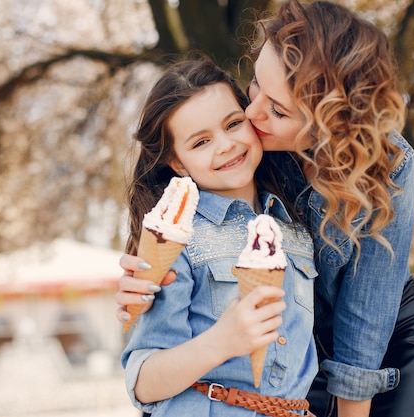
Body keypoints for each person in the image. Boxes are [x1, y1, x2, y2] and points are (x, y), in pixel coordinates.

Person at [116, 1, 414, 417]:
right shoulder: (243, 142)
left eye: (279, 109)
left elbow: (367, 310)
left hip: (389, 335)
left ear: (328, 124)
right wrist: (141, 279)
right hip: (295, 354)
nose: (252, 114)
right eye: (254, 84)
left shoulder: (386, 161)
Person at [121, 55, 318, 416]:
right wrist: (219, 343)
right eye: (200, 142)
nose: (225, 145)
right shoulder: (179, 240)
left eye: (233, 123)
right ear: (178, 163)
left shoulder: (297, 227)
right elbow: (142, 382)